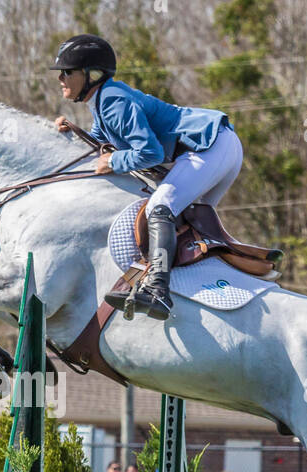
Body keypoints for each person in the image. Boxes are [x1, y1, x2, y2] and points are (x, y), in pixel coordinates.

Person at [50, 34, 243, 322]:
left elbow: (149, 152)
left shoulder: (113, 101)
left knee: (159, 208)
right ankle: (194, 287)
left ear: (91, 75)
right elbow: (101, 144)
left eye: (67, 72)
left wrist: (114, 161)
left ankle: (157, 292)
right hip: (217, 144)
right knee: (184, 219)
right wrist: (73, 132)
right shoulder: (104, 101)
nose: (61, 79)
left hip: (208, 145)